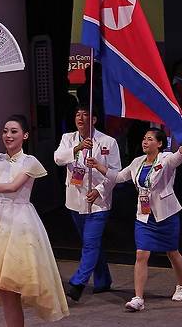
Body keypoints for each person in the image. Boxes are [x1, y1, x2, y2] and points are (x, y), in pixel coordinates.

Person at [0, 116, 69, 325]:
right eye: (5, 131)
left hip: (21, 224)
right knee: (5, 290)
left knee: (14, 285)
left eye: (14, 131)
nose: (8, 135)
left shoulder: (30, 161)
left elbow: (12, 187)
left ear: (25, 135)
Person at [88, 129, 182, 312]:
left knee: (172, 252)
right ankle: (138, 298)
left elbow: (179, 156)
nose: (145, 142)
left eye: (150, 139)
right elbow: (119, 177)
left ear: (159, 144)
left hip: (166, 215)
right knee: (141, 254)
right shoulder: (137, 162)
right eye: (144, 138)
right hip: (144, 216)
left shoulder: (166, 159)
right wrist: (98, 166)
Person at [53, 104, 122, 301]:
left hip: (98, 202)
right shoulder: (68, 138)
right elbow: (58, 158)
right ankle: (103, 281)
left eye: (85, 115)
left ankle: (77, 283)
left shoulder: (109, 142)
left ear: (94, 120)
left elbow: (115, 173)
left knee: (90, 244)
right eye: (77, 114)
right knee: (91, 243)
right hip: (75, 200)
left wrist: (99, 191)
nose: (81, 118)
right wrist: (78, 148)